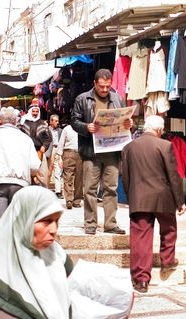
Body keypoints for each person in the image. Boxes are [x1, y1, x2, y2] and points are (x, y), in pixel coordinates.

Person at [0, 186, 73, 319]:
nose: (54, 229)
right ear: (24, 219)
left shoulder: (58, 259)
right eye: (46, 221)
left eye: (56, 221)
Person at [121, 115, 186, 293]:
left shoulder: (128, 147)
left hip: (139, 198)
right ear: (159, 130)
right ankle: (167, 261)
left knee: (140, 238)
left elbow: (125, 177)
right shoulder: (165, 145)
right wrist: (180, 201)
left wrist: (130, 196)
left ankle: (141, 280)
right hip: (163, 197)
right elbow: (173, 176)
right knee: (169, 230)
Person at [71, 68, 132, 235]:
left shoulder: (118, 99)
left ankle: (110, 224)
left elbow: (124, 120)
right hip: (91, 152)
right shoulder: (83, 99)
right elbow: (74, 121)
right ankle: (90, 223)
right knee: (89, 188)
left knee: (111, 189)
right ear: (95, 84)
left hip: (112, 152)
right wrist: (86, 127)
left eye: (107, 86)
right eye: (101, 86)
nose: (104, 90)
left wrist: (128, 124)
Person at [20, 104, 52, 187]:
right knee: (28, 174)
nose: (35, 113)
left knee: (43, 175)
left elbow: (48, 138)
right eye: (33, 111)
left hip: (39, 152)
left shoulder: (43, 124)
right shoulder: (24, 124)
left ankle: (44, 194)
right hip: (26, 152)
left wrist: (44, 146)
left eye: (37, 111)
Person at [57, 123, 83, 209]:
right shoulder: (67, 129)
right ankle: (69, 200)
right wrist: (59, 157)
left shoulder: (83, 128)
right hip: (68, 153)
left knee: (79, 178)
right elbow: (61, 143)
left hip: (81, 153)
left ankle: (77, 200)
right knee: (68, 177)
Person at [46, 114, 63, 199]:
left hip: (58, 150)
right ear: (51, 121)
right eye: (55, 121)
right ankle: (45, 189)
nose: (57, 122)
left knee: (58, 171)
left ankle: (58, 191)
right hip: (50, 150)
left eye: (57, 120)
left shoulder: (60, 131)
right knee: (48, 171)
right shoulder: (46, 130)